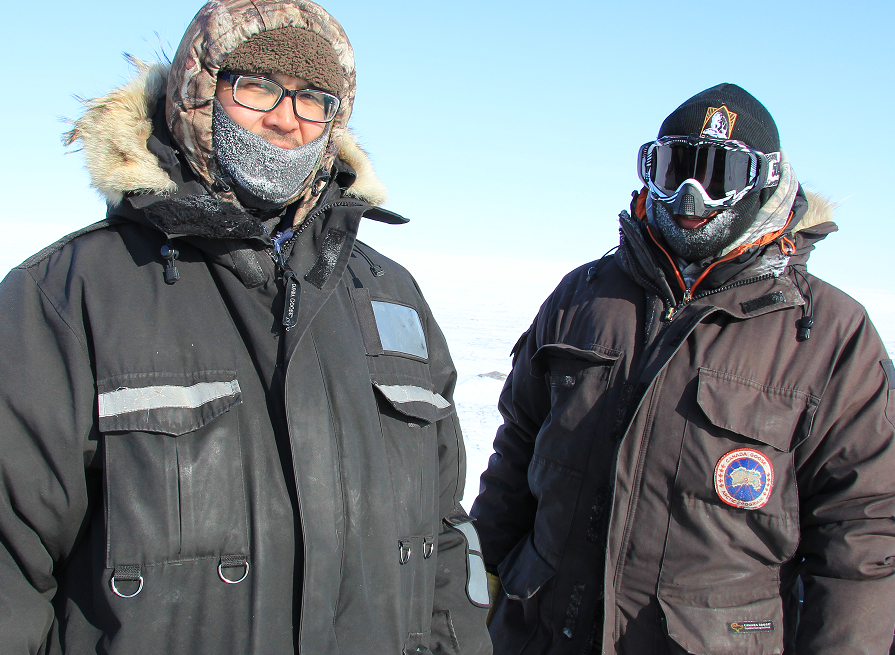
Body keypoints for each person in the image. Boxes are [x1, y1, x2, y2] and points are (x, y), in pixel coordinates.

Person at [0, 1, 493, 653]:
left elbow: (443, 532)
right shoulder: (71, 293)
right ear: (197, 94)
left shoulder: (389, 295)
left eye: (314, 98)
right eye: (256, 85)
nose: (287, 118)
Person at [470, 83, 895, 654]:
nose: (693, 197)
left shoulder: (828, 335)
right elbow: (517, 451)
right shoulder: (583, 298)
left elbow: (861, 533)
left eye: (722, 175)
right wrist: (480, 581)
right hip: (539, 632)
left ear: (764, 180)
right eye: (676, 169)